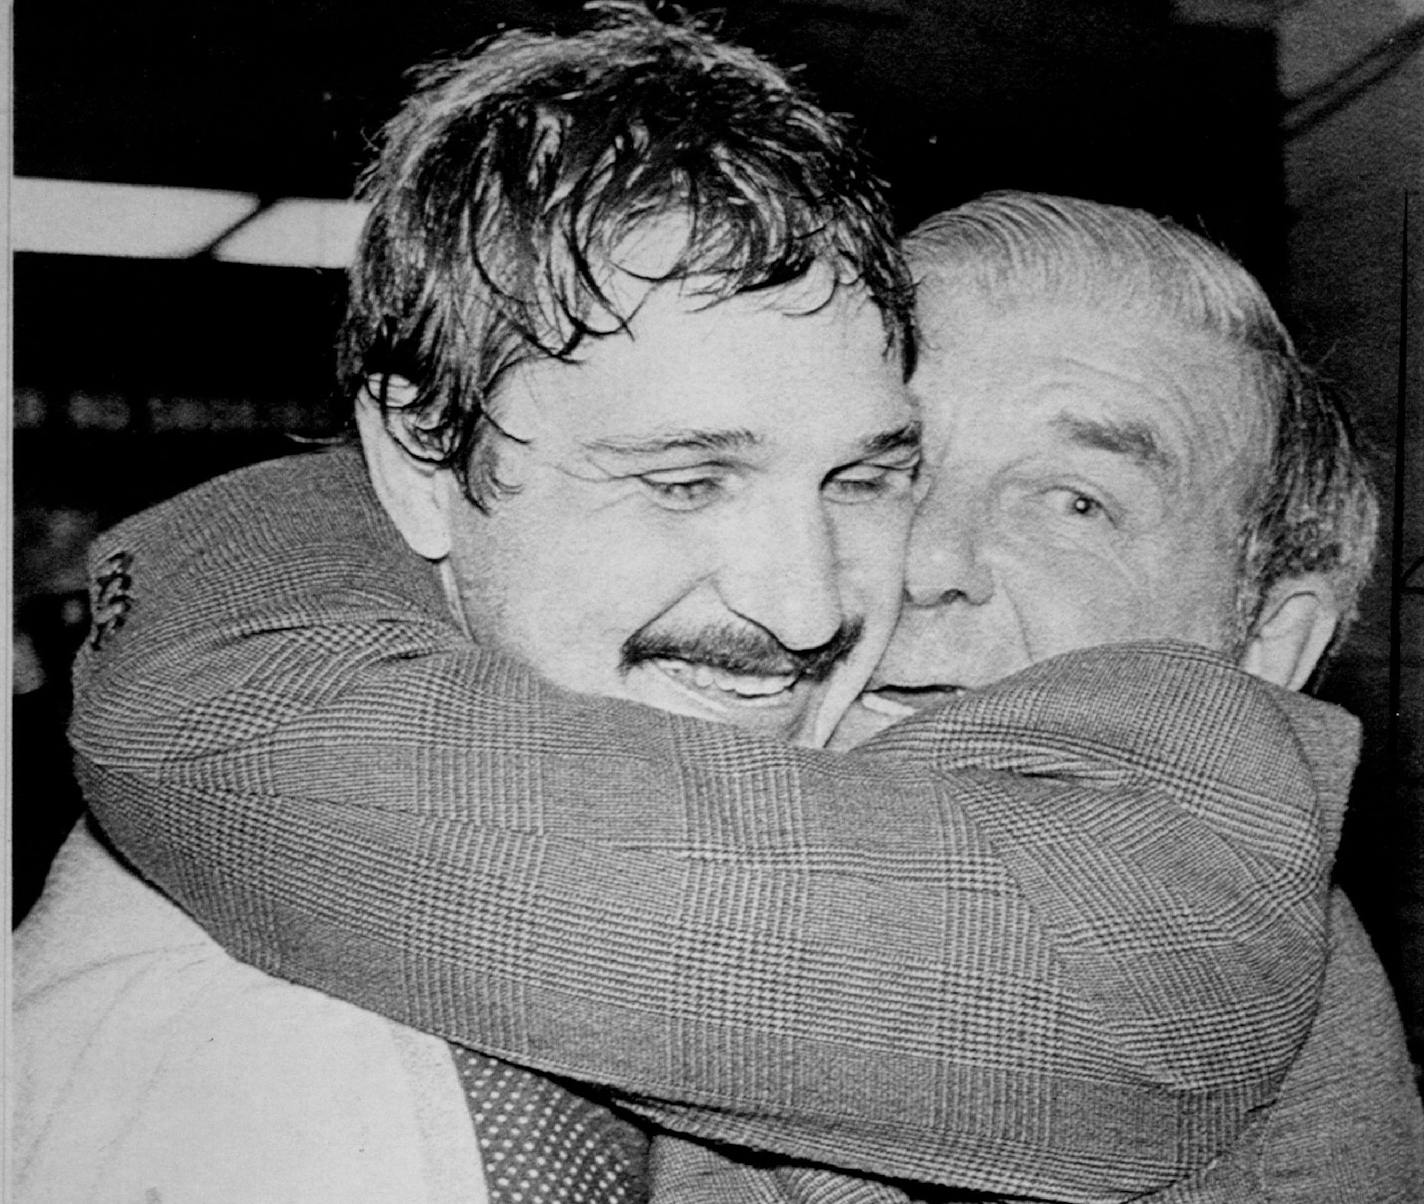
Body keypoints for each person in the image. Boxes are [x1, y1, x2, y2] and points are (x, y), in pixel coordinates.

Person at [10, 4, 1385, 1199]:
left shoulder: (1186, 905)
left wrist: (247, 560)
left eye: (1073, 502)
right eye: (895, 473)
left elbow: (277, 734)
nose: (891, 572)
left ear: (1273, 643)